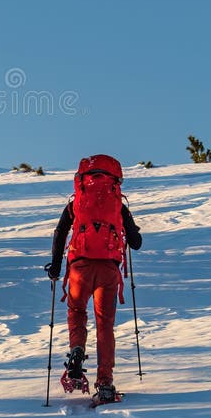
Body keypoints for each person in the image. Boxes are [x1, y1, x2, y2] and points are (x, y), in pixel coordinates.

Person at [46, 154, 142, 404]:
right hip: (108, 270)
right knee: (104, 325)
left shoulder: (76, 203)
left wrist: (56, 267)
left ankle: (77, 349)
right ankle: (105, 384)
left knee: (77, 310)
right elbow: (137, 243)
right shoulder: (118, 205)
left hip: (80, 268)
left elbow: (59, 233)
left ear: (81, 180)